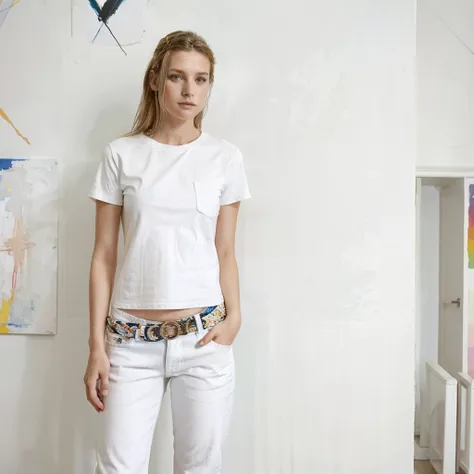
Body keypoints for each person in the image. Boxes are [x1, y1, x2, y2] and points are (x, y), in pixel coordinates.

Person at [83, 30, 251, 474]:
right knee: (118, 467)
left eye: (201, 79)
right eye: (177, 77)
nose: (189, 90)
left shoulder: (225, 157)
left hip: (204, 339)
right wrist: (97, 347)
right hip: (130, 342)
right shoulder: (121, 154)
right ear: (156, 79)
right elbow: (103, 255)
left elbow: (226, 250)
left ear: (210, 85)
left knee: (200, 468)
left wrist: (235, 318)